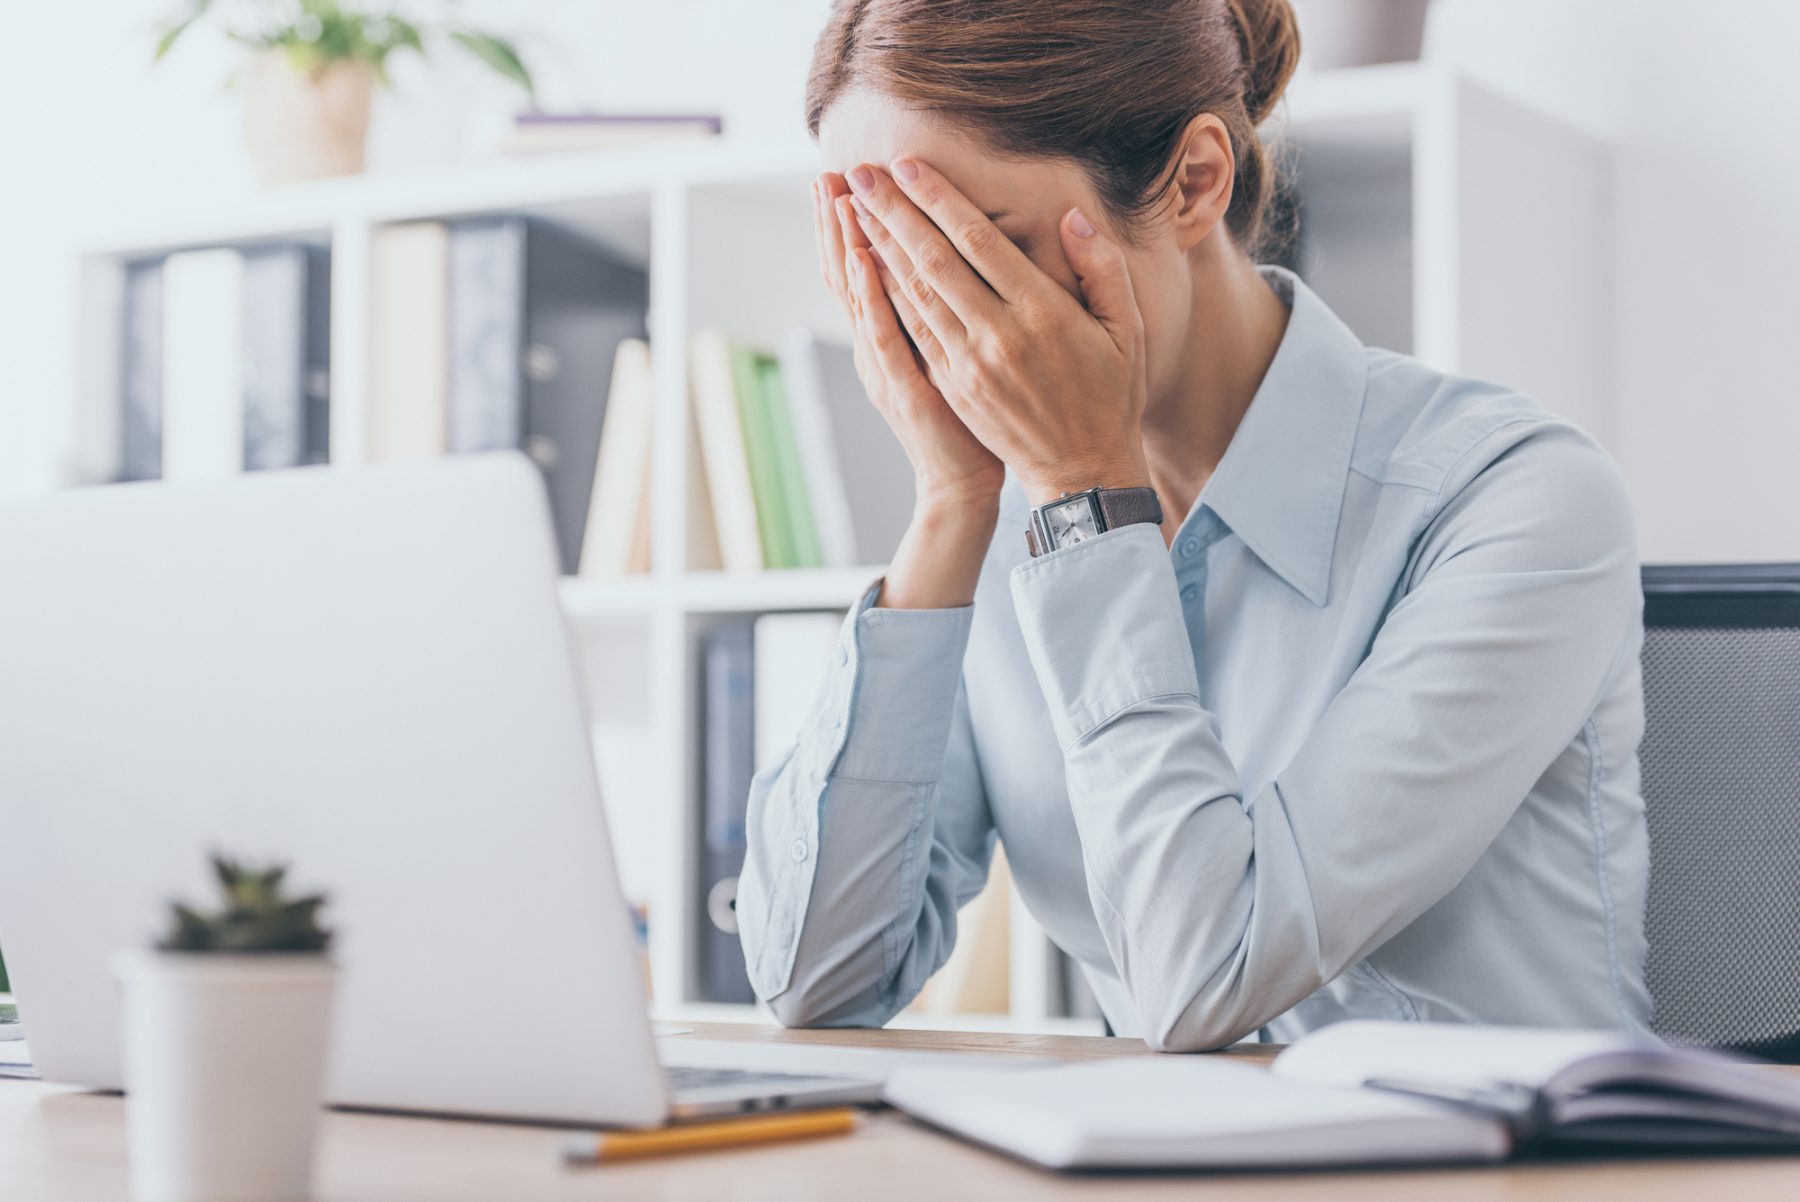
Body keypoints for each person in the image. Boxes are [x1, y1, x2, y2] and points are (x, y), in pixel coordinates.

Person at [736, 0, 1650, 1051]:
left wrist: (1090, 496)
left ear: (1194, 181)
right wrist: (947, 505)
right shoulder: (1001, 521)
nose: (948, 326)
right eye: (890, 258)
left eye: (978, 255)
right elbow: (815, 981)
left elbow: (1202, 980)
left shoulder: (1514, 499)